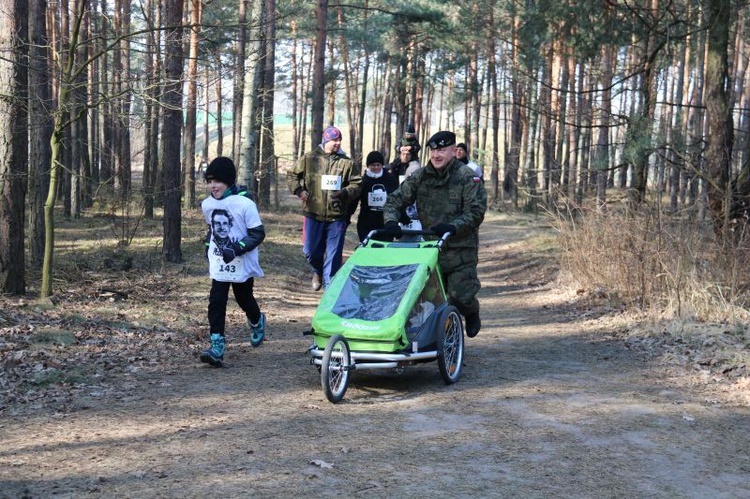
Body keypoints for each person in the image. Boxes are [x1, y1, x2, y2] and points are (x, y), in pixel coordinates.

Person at [382, 131, 487, 338]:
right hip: (430, 250)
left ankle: (471, 310)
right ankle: (441, 342)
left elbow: (476, 212)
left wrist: (452, 226)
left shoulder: (467, 177)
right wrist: (391, 221)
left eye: (442, 150)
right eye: (433, 150)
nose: (436, 155)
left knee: (460, 296)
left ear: (453, 151)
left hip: (460, 250)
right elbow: (395, 200)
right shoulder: (421, 177)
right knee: (428, 300)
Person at [200, 157, 267, 367]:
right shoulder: (207, 204)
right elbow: (211, 229)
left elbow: (258, 233)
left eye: (218, 181)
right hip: (220, 263)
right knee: (216, 301)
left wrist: (237, 248)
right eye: (210, 181)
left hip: (242, 261)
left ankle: (257, 321)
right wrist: (208, 248)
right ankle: (217, 346)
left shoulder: (245, 203)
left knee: (243, 298)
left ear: (228, 181)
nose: (213, 185)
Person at [287, 126, 361, 290]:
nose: (338, 143)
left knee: (334, 257)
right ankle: (317, 270)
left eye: (339, 140)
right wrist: (299, 191)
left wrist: (345, 192)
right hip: (313, 214)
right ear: (326, 140)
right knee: (310, 251)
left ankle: (330, 292)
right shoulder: (309, 159)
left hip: (336, 217)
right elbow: (292, 175)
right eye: (335, 140)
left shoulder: (347, 162)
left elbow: (357, 184)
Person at [352, 150, 400, 242]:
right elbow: (354, 200)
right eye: (373, 165)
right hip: (366, 223)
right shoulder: (363, 181)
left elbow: (396, 199)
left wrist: (401, 216)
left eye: (378, 165)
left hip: (385, 222)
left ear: (382, 165)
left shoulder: (390, 179)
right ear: (368, 166)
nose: (376, 167)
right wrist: (347, 216)